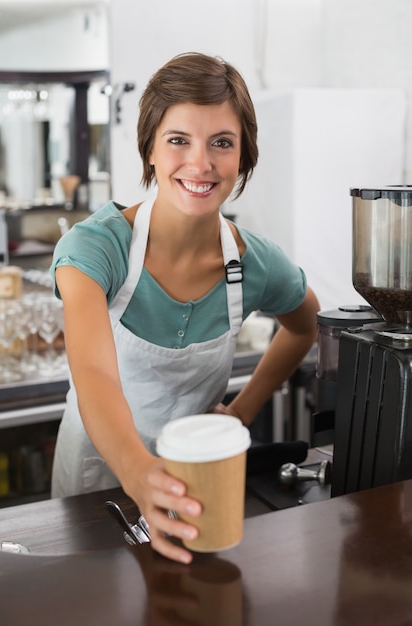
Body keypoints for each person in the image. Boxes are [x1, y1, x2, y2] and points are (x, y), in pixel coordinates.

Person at [50, 52, 320, 564]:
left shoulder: (254, 262)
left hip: (197, 479)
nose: (201, 164)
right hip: (95, 480)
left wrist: (241, 413)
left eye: (222, 142)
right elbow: (94, 376)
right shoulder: (94, 250)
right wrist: (139, 473)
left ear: (244, 157)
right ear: (149, 148)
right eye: (178, 140)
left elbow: (304, 327)